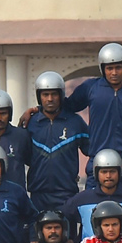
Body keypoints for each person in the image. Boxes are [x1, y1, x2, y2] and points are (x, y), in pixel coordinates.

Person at [60, 44, 122, 191]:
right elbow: (66, 107)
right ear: (103, 69)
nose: (114, 72)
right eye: (109, 68)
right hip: (99, 157)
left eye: (118, 68)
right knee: (92, 206)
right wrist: (36, 110)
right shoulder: (91, 88)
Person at [26, 71, 92, 212]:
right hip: (38, 194)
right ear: (39, 97)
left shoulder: (75, 122)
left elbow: (93, 150)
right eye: (45, 95)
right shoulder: (29, 123)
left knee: (68, 233)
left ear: (61, 95)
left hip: (67, 194)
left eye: (54, 94)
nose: (50, 99)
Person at [62, 148, 122, 242]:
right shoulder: (83, 199)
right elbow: (64, 216)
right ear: (96, 173)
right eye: (104, 172)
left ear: (119, 172)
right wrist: (69, 238)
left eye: (112, 171)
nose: (108, 176)